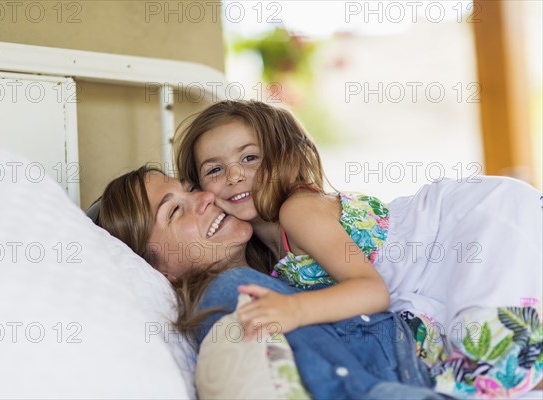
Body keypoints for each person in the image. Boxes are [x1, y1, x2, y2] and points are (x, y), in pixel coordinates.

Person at [172, 99, 543, 398]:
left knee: (495, 346)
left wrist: (294, 309)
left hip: (468, 225)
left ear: (284, 157)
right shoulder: (270, 255)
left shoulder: (297, 212)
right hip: (428, 274)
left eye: (249, 158)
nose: (234, 175)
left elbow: (371, 291)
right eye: (214, 170)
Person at [94, 166, 443, 399]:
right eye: (174, 211)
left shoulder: (289, 270)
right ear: (160, 271)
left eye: (190, 189)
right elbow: (347, 386)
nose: (204, 198)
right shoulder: (233, 290)